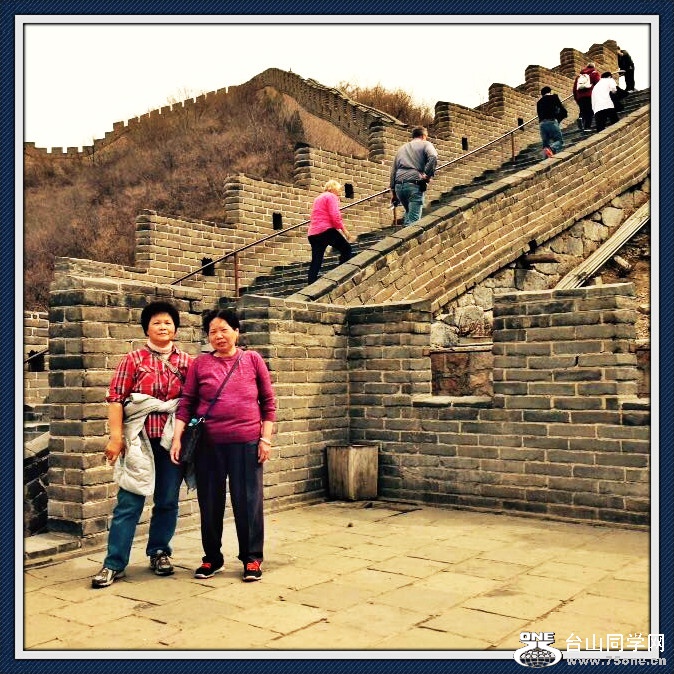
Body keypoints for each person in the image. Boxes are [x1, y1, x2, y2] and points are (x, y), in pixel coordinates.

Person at [91, 301, 193, 588]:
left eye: (168, 322)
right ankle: (114, 563)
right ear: (146, 328)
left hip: (172, 441)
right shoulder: (133, 360)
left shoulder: (187, 362)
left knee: (167, 501)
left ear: (176, 328)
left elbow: (193, 402)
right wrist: (116, 437)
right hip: (138, 440)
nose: (163, 327)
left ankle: (159, 552)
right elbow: (115, 399)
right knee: (129, 502)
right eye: (156, 322)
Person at [170, 308, 277, 582]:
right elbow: (187, 403)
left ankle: (252, 559)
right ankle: (212, 558)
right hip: (209, 445)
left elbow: (268, 403)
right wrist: (177, 438)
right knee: (209, 503)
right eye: (212, 332)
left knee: (248, 502)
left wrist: (265, 439)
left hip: (247, 444)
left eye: (224, 330)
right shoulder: (200, 364)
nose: (218, 336)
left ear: (236, 332)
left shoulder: (252, 359)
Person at [306, 179, 354, 285]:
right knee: (346, 249)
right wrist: (344, 230)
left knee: (316, 261)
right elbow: (335, 215)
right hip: (325, 231)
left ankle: (310, 284)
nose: (340, 192)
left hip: (313, 234)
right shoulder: (331, 196)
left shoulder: (318, 198)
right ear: (333, 188)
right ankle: (341, 275)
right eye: (339, 189)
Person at [390, 126, 438, 226]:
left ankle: (403, 232)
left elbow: (393, 171)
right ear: (423, 136)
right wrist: (427, 176)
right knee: (413, 223)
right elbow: (433, 157)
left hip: (399, 187)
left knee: (409, 214)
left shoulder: (401, 148)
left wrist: (394, 194)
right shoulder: (426, 144)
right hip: (414, 184)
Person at [536, 86, 566, 159]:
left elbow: (539, 115)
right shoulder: (554, 97)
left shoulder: (539, 102)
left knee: (545, 144)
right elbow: (562, 110)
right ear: (550, 91)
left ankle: (546, 157)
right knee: (559, 141)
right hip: (551, 121)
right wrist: (559, 119)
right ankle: (551, 149)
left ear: (542, 94)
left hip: (542, 124)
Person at [572, 61, 601, 131]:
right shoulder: (594, 73)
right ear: (593, 67)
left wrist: (576, 98)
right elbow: (598, 85)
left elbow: (574, 88)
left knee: (583, 110)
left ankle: (581, 118)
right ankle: (587, 127)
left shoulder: (579, 76)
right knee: (590, 111)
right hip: (589, 95)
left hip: (580, 97)